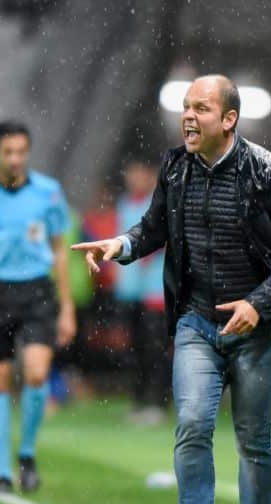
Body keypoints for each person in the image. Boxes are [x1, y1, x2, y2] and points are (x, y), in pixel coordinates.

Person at [72, 75, 271, 504]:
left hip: (257, 328)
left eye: (200, 107)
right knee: (193, 423)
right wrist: (124, 245)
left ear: (229, 119)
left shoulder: (270, 172)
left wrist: (259, 304)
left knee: (253, 439)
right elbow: (155, 225)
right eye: (185, 107)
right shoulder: (175, 166)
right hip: (197, 321)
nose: (189, 116)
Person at [0, 120, 76, 493]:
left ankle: (26, 452)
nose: (16, 159)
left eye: (21, 151)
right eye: (9, 152)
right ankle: (3, 472)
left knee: (37, 374)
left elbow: (59, 250)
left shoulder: (48, 193)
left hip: (38, 291)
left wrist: (67, 305)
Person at [113, 159, 169, 424]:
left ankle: (157, 402)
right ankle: (138, 401)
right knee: (134, 348)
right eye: (131, 174)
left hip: (156, 290)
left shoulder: (160, 203)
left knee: (154, 347)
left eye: (139, 174)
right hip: (130, 289)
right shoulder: (125, 204)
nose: (134, 179)